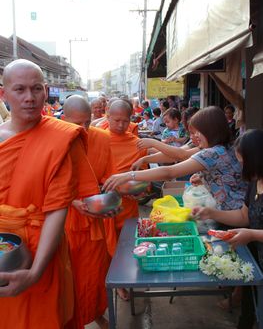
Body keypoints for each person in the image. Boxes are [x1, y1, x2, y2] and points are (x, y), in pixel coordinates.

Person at [0, 59, 98, 329]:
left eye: (37, 89)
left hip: (43, 250)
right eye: (19, 89)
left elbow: (57, 209)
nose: (30, 98)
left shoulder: (61, 138)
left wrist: (35, 272)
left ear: (46, 91)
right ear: (4, 93)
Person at [103, 106, 247, 211]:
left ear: (211, 131)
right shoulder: (225, 147)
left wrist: (129, 175)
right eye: (192, 132)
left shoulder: (212, 152)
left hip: (233, 212)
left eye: (198, 132)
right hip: (238, 210)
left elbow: (170, 171)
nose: (194, 137)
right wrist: (145, 160)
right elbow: (174, 155)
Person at [191, 129, 263, 329]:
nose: (239, 164)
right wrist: (211, 213)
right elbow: (243, 216)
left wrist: (251, 234)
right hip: (257, 257)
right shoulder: (254, 183)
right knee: (252, 304)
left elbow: (249, 226)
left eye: (242, 160)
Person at [63, 95, 114, 329]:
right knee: (69, 279)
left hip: (94, 220)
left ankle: (95, 313)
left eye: (87, 122)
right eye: (77, 123)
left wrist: (110, 194)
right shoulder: (55, 139)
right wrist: (74, 202)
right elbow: (45, 184)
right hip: (65, 223)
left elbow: (108, 176)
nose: (83, 128)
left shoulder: (102, 139)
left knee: (94, 275)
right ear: (64, 119)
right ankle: (73, 321)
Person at [106, 99, 148, 300]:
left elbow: (145, 177)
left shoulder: (136, 143)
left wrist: (141, 192)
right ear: (107, 116)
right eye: (116, 120)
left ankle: (125, 281)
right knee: (107, 247)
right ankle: (116, 282)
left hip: (128, 206)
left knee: (127, 245)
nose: (121, 125)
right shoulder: (97, 139)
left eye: (125, 121)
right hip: (105, 205)